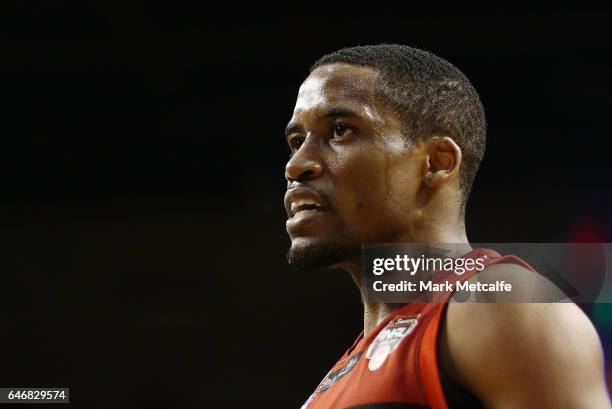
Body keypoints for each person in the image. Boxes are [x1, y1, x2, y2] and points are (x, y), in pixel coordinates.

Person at [283, 44, 610, 409]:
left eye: (340, 130)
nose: (297, 165)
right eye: (297, 141)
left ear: (437, 162)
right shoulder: (340, 377)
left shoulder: (501, 306)